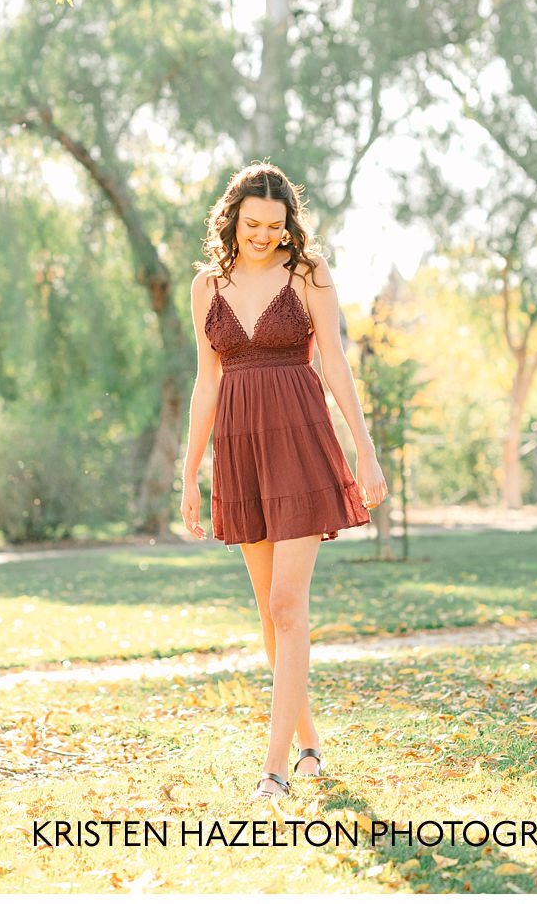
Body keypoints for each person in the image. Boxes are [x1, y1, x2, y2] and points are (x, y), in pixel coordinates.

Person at [179, 163, 388, 802]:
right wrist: (189, 474)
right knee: (271, 613)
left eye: (275, 225)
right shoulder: (206, 286)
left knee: (287, 605)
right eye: (252, 224)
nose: (263, 236)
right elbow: (207, 382)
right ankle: (310, 744)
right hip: (241, 450)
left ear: (289, 224)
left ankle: (274, 769)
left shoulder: (308, 275)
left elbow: (336, 364)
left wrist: (365, 450)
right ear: (231, 219)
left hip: (299, 442)